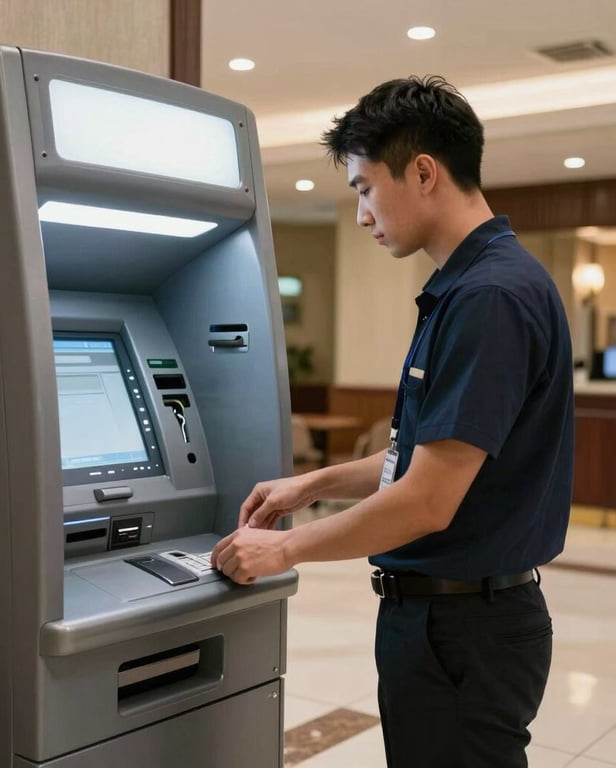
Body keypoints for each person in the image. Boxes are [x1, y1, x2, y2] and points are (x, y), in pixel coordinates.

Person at [210, 75, 573, 768]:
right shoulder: (477, 285)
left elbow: (429, 500)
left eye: (364, 188)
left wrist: (284, 550)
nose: (362, 214)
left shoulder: (488, 298)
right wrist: (312, 484)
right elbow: (424, 457)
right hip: (459, 621)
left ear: (425, 172)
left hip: (463, 629)